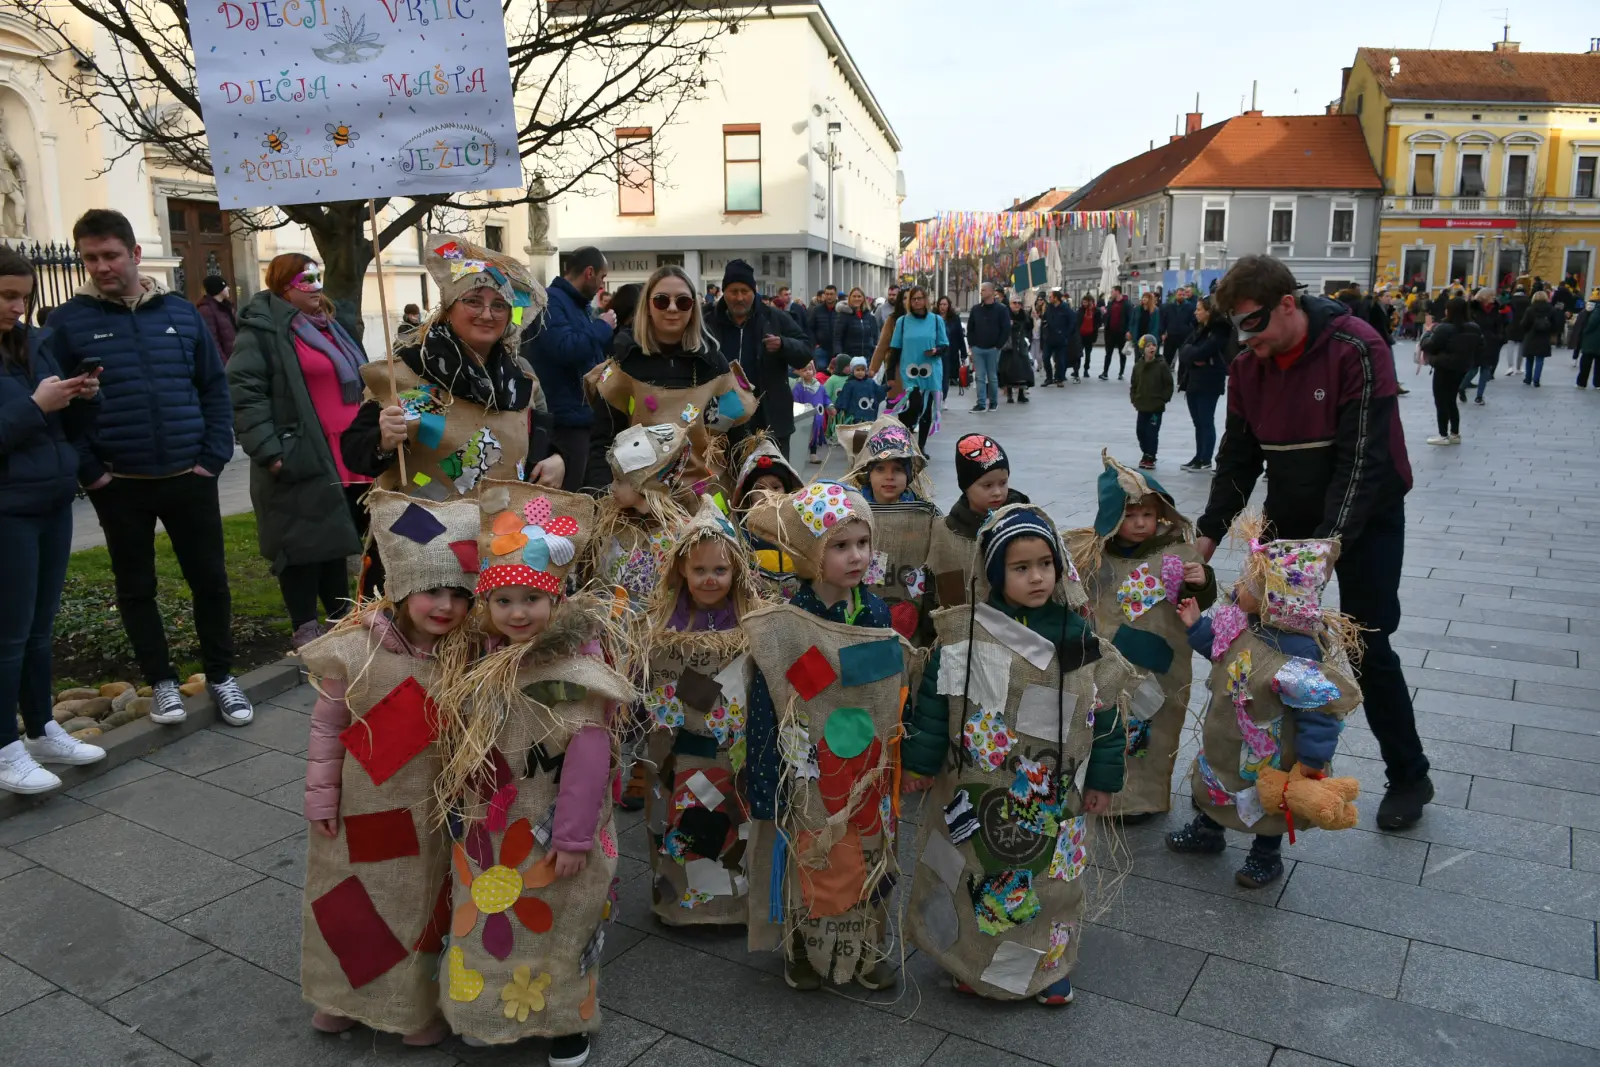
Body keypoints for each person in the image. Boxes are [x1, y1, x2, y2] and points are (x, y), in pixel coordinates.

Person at [1199, 254, 1433, 830]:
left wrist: (1327, 548)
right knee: (1257, 648)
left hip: (1368, 517)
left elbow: (1363, 461)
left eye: (1252, 323)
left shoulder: (1355, 346)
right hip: (1289, 518)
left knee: (1367, 645)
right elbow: (1238, 457)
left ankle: (1409, 775)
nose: (1244, 337)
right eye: (1235, 326)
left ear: (1287, 303)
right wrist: (1206, 532)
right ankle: (1239, 793)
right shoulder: (1247, 368)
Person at [433, 482, 628, 1067]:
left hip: (554, 824)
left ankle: (567, 1021)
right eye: (504, 601)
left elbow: (590, 755)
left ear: (557, 600)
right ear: (487, 608)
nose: (518, 613)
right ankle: (484, 1009)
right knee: (486, 919)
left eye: (531, 600)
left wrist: (571, 836)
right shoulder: (480, 663)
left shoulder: (576, 670)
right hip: (489, 829)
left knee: (561, 923)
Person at [904, 504, 1130, 1005]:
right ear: (993, 572)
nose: (1036, 577)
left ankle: (1049, 968)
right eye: (1020, 567)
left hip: (1055, 791)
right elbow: (938, 706)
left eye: (1045, 564)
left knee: (1050, 882)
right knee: (977, 875)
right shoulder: (969, 633)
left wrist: (1104, 779)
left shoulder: (1076, 634)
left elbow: (1105, 708)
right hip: (982, 786)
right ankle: (973, 960)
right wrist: (920, 764)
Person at [48, 208, 253, 728]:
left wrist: (213, 456)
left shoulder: (183, 315)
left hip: (190, 477)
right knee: (136, 587)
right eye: (90, 258)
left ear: (135, 254)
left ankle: (222, 676)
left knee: (209, 580)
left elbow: (212, 386)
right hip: (119, 484)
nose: (101, 267)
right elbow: (59, 408)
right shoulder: (66, 323)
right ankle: (162, 683)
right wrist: (91, 471)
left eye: (111, 255)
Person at [298, 492, 476, 1049]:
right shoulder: (355, 651)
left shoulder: (468, 658)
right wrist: (321, 799)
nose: (444, 606)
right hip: (358, 807)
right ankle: (339, 997)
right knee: (348, 901)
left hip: (426, 811)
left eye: (458, 594)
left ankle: (409, 1006)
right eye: (430, 591)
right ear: (401, 590)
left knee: (416, 904)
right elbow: (326, 731)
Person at [742, 481, 908, 993]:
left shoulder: (876, 614)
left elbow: (882, 694)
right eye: (839, 546)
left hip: (867, 768)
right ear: (809, 552)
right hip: (807, 766)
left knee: (870, 851)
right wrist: (765, 777)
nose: (856, 556)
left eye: (862, 542)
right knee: (810, 853)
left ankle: (869, 943)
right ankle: (801, 942)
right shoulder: (789, 622)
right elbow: (772, 702)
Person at [1169, 519, 1363, 889]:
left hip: (1271, 751)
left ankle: (1265, 854)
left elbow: (1318, 711)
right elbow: (1220, 652)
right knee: (1219, 782)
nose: (1237, 587)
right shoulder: (1242, 622)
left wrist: (1311, 759)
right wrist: (1196, 626)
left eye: (1248, 585)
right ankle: (1209, 829)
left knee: (1269, 800)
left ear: (1275, 598)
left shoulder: (1298, 650)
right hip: (1227, 735)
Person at [0, 246, 106, 795]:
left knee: (40, 629)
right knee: (9, 633)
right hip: (8, 510)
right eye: (6, 295)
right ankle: (3, 746)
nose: (18, 307)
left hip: (50, 501)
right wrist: (35, 406)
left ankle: (40, 728)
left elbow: (65, 427)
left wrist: (82, 395)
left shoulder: (33, 346)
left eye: (24, 296)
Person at [342, 234, 562, 498]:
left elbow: (542, 441)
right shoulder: (406, 373)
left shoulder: (520, 380)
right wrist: (383, 441)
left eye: (499, 305)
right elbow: (355, 454)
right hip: (423, 532)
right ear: (448, 308)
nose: (487, 314)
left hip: (501, 533)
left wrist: (558, 459)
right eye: (473, 301)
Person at [228, 254, 372, 649]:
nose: (316, 286)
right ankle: (306, 624)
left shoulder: (332, 327)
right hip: (303, 449)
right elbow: (245, 390)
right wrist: (270, 452)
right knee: (304, 539)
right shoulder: (264, 330)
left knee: (336, 536)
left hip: (348, 451)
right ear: (283, 286)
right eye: (305, 280)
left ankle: (342, 615)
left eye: (318, 277)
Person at [1068, 453, 1213, 823]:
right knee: (1105, 725)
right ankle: (1100, 789)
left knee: (1150, 732)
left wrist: (1202, 582)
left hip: (1157, 664)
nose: (1139, 523)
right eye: (1129, 515)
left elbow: (1199, 599)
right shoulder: (1094, 554)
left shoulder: (1177, 554)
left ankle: (1141, 799)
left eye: (1147, 515)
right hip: (1106, 660)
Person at [639, 496, 760, 927]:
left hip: (731, 751)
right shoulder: (667, 624)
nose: (710, 579)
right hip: (684, 749)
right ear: (682, 573)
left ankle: (732, 905)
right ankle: (679, 901)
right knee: (683, 814)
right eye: (700, 570)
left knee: (731, 816)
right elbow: (660, 690)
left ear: (736, 573)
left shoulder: (749, 621)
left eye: (721, 570)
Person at [843, 415, 941, 641]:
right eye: (880, 469)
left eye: (897, 469)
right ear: (868, 475)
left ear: (908, 475)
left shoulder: (923, 513)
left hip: (911, 611)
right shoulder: (854, 511)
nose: (889, 477)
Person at [526, 247, 614, 491]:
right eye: (602, 277)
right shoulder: (552, 301)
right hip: (563, 418)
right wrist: (602, 328)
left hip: (580, 415)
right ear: (589, 272)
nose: (601, 285)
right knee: (569, 496)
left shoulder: (577, 305)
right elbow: (564, 348)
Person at [704, 259, 812, 456]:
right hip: (721, 422)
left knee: (770, 480)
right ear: (723, 292)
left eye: (745, 291)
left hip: (769, 419)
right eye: (733, 291)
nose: (739, 298)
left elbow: (805, 351)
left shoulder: (774, 318)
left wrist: (783, 345)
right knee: (724, 481)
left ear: (754, 292)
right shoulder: (707, 321)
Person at [925, 433, 1027, 610]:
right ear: (966, 487)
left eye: (1003, 483)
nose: (997, 492)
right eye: (987, 485)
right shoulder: (952, 528)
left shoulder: (1023, 519)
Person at [1177, 297, 1228, 472]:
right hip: (1193, 380)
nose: (1195, 312)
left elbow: (1203, 351)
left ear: (1208, 312)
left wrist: (1194, 355)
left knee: (1206, 420)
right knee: (1197, 421)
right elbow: (1184, 349)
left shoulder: (1219, 330)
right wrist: (1193, 355)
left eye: (1199, 309)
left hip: (1210, 381)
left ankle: (1206, 459)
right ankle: (1198, 456)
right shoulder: (1199, 329)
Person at [1130, 335, 1173, 469]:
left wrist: (1163, 398)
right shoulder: (1138, 366)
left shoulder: (1161, 365)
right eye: (1148, 346)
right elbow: (1134, 384)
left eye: (1153, 345)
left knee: (1152, 432)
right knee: (1140, 431)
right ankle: (1145, 452)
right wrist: (1134, 398)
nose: (1151, 348)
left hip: (1156, 407)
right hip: (1142, 406)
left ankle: (1151, 455)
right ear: (1143, 349)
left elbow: (1168, 384)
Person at [967, 282, 1010, 412]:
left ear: (992, 292)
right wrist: (972, 345)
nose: (982, 292)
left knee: (992, 376)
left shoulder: (1001, 309)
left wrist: (998, 346)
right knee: (979, 376)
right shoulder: (976, 309)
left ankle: (993, 402)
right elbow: (971, 328)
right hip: (978, 348)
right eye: (981, 290)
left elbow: (1006, 329)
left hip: (993, 348)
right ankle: (980, 403)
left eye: (984, 290)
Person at [1465, 288, 1504, 407]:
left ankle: (1479, 396)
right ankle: (1461, 387)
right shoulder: (1472, 308)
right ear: (1484, 296)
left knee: (1485, 370)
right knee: (1473, 369)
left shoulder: (1495, 309)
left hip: (1491, 343)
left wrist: (1499, 337)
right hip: (1476, 342)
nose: (1494, 297)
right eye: (1492, 295)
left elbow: (1499, 325)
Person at [791, 361, 831, 464]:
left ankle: (813, 453)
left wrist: (830, 407)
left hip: (818, 416)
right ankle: (799, 454)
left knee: (815, 434)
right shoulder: (799, 387)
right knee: (803, 436)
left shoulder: (819, 386)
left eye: (810, 369)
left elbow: (825, 398)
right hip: (804, 416)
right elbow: (796, 401)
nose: (808, 372)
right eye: (805, 370)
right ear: (799, 372)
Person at [1519, 289, 1560, 387]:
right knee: (1540, 359)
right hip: (1544, 336)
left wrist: (1526, 330)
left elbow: (1523, 324)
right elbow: (1555, 324)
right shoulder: (1551, 309)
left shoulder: (1530, 309)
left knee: (1529, 358)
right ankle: (1536, 380)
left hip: (1531, 336)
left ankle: (1528, 378)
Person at [999, 296, 1034, 404]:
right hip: (1009, 346)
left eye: (1019, 303)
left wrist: (1032, 318)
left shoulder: (1024, 314)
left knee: (1024, 370)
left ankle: (1021, 394)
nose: (1017, 305)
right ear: (1010, 304)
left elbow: (1028, 327)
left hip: (1021, 345)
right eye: (1015, 303)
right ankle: (1009, 394)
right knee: (1008, 370)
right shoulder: (1005, 314)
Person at [833, 286, 878, 367]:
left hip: (867, 358)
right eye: (854, 296)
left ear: (863, 298)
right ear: (849, 298)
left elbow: (875, 336)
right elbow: (837, 337)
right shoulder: (843, 315)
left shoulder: (870, 316)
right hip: (849, 359)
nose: (857, 299)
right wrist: (838, 355)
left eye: (859, 296)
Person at [1040, 288, 1076, 387]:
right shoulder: (1049, 307)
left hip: (1061, 339)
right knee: (1045, 358)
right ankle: (1049, 378)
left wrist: (1066, 334)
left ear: (1056, 298)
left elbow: (1072, 322)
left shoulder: (1065, 308)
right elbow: (1045, 319)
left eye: (1050, 297)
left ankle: (1059, 379)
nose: (1049, 298)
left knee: (1060, 360)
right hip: (1049, 337)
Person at [196, 275, 237, 362]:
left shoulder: (227, 307)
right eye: (226, 286)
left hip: (234, 359)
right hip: (225, 363)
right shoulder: (206, 310)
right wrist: (224, 364)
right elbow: (212, 341)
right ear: (219, 289)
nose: (228, 288)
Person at [835, 355, 886, 425]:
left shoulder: (871, 382)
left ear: (866, 370)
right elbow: (844, 397)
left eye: (862, 370)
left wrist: (887, 386)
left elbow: (879, 392)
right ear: (853, 371)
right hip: (854, 417)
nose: (860, 372)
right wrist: (838, 408)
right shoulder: (849, 384)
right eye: (858, 370)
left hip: (869, 416)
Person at [1100, 285, 1133, 380]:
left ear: (1117, 292)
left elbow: (1130, 318)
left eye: (1112, 291)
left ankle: (1121, 372)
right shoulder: (1110, 303)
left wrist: (1128, 331)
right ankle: (1105, 372)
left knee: (1122, 353)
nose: (1111, 293)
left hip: (1121, 332)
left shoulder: (1126, 304)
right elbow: (1107, 316)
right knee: (1108, 353)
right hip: (1110, 332)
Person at [1162, 285, 1195, 368]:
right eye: (1179, 294)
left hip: (1184, 337)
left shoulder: (1190, 307)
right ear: (1176, 295)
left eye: (1183, 295)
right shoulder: (1169, 307)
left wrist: (1189, 331)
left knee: (1183, 360)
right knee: (1166, 360)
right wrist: (1163, 332)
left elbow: (1193, 321)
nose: (1181, 296)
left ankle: (1182, 379)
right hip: (1171, 336)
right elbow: (1164, 321)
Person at [809, 284, 840, 371]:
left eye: (831, 294)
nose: (829, 296)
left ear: (836, 295)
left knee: (836, 372)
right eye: (827, 294)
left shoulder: (840, 310)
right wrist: (814, 344)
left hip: (837, 348)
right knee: (821, 371)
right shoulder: (817, 310)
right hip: (821, 348)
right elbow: (810, 328)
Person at [1504, 283, 1531, 375]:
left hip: (1511, 325)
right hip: (1523, 325)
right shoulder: (1527, 300)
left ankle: (1510, 367)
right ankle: (1519, 367)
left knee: (1510, 346)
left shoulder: (1511, 300)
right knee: (1521, 347)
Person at [1578, 292, 1600, 388]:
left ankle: (1582, 383)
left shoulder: (1598, 310)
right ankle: (1598, 383)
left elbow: (1592, 323)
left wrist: (1585, 331)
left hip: (1592, 341)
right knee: (1599, 365)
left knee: (1586, 363)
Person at [1074, 294, 1098, 382]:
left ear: (1089, 302)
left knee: (1088, 354)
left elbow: (1098, 322)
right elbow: (1077, 322)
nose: (1083, 303)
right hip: (1080, 335)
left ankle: (1086, 369)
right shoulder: (1080, 311)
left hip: (1089, 336)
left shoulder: (1094, 311)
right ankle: (1076, 370)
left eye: (1085, 302)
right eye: (1083, 302)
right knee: (1078, 354)